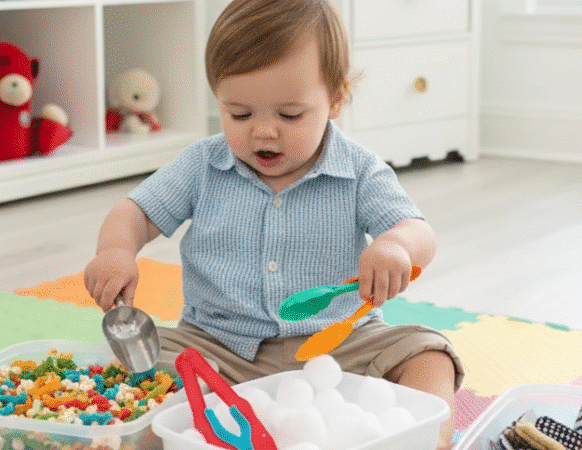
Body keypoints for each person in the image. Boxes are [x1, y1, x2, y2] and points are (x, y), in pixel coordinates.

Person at [84, 0, 464, 446]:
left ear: (336, 98)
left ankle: (422, 441)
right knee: (146, 371)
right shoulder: (202, 165)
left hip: (341, 343)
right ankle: (184, 429)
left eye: (289, 114)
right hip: (216, 343)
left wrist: (396, 247)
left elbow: (417, 229)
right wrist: (115, 252)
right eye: (239, 113)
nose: (263, 131)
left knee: (431, 354)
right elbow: (137, 212)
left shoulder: (360, 170)